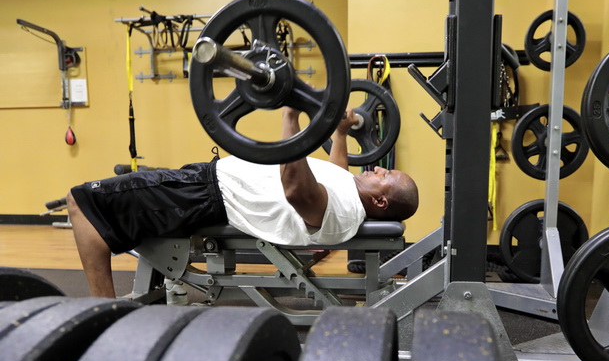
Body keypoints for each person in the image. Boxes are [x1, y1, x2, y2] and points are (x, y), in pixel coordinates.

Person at [66, 107, 419, 298]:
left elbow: (297, 190)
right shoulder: (348, 194)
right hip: (204, 183)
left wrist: (291, 118)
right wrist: (340, 133)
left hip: (202, 195)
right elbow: (337, 171)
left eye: (384, 177)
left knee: (83, 201)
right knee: (111, 207)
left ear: (382, 202)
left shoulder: (341, 211)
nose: (376, 169)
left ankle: (103, 315)